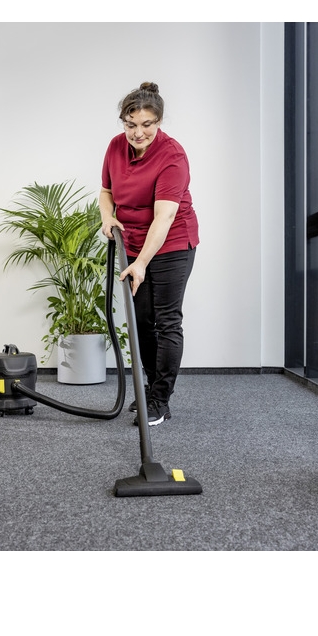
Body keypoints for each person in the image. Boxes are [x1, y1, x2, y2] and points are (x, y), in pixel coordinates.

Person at [100, 82, 199, 426]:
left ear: (158, 121)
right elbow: (106, 191)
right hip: (131, 243)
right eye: (131, 125)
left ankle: (159, 400)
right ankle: (152, 388)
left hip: (172, 243)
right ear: (123, 122)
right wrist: (107, 217)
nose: (137, 132)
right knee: (141, 321)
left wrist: (142, 263)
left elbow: (165, 216)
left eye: (146, 124)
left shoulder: (172, 155)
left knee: (167, 320)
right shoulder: (116, 146)